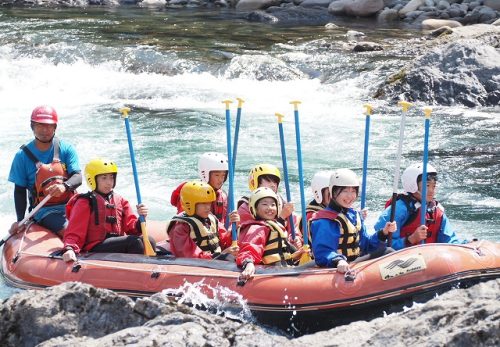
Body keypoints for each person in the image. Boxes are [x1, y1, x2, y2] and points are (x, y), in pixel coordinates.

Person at [62, 158, 155, 262]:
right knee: (134, 242)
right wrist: (70, 248)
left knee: (150, 240)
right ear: (92, 179)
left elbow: (132, 229)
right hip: (95, 247)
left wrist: (141, 218)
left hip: (115, 245)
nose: (109, 182)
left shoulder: (120, 201)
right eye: (104, 178)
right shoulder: (85, 202)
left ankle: (150, 272)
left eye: (111, 177)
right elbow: (75, 230)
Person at [8, 105, 81, 237]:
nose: (44, 130)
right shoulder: (22, 156)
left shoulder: (67, 148)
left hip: (72, 203)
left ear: (55, 127)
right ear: (32, 127)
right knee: (71, 231)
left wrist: (64, 186)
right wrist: (20, 220)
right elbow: (19, 191)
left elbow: (78, 177)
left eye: (49, 126)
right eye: (39, 125)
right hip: (44, 209)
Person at [310, 169, 396, 273]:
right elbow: (323, 251)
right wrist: (338, 260)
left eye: (353, 191)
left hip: (354, 263)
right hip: (337, 268)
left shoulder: (354, 215)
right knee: (388, 252)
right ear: (333, 192)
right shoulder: (325, 220)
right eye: (345, 191)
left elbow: (366, 244)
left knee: (388, 252)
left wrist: (383, 233)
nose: (350, 196)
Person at [374, 163, 467, 250]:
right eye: (427, 186)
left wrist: (465, 245)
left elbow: (449, 239)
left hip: (431, 259)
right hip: (402, 259)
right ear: (412, 185)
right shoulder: (398, 209)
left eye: (433, 186)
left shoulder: (437, 210)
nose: (431, 191)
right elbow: (381, 243)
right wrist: (410, 239)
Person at [237, 187, 307, 280]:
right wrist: (249, 263)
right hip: (272, 272)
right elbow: (250, 249)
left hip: (284, 268)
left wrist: (295, 256)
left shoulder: (276, 226)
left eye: (273, 205)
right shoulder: (257, 229)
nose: (270, 208)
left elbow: (280, 253)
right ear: (255, 209)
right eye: (265, 204)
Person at [167, 180, 239, 260]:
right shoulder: (181, 227)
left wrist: (234, 228)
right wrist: (221, 255)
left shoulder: (211, 219)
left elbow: (224, 242)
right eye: (204, 203)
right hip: (197, 266)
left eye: (209, 203)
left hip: (215, 261)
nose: (208, 207)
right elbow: (189, 256)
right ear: (190, 204)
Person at [170, 152, 229, 225]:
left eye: (223, 175)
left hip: (216, 233)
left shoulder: (223, 196)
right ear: (205, 174)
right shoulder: (191, 193)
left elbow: (225, 222)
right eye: (217, 175)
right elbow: (184, 224)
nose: (221, 180)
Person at [237, 163, 295, 229]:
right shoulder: (245, 207)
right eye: (268, 181)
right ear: (255, 183)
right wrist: (281, 218)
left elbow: (294, 230)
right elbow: (255, 234)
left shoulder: (283, 204)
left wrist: (296, 238)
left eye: (275, 182)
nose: (273, 185)